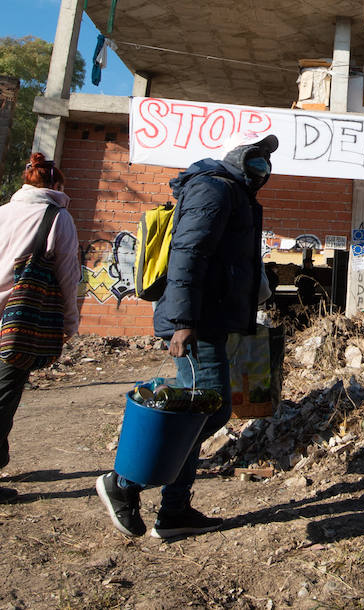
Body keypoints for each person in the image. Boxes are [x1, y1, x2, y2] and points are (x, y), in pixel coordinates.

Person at [97, 130, 278, 539]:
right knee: (210, 411)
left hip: (211, 321)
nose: (263, 168)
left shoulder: (235, 195)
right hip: (197, 324)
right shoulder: (214, 189)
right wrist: (182, 323)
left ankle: (175, 511)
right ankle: (123, 484)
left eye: (265, 162)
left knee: (199, 413)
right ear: (237, 160)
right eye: (255, 158)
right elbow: (188, 254)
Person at [0, 153, 81, 505]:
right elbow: (68, 276)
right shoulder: (58, 217)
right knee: (0, 400)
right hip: (20, 321)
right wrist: (70, 322)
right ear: (56, 186)